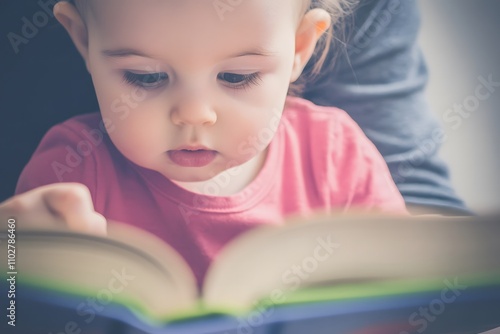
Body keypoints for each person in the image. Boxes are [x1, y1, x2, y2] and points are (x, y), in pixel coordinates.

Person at [6, 0, 410, 284]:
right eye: (146, 77)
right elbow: (13, 313)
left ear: (299, 48)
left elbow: (405, 303)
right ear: (83, 41)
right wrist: (13, 262)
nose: (195, 114)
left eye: (237, 77)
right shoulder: (70, 172)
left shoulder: (336, 157)